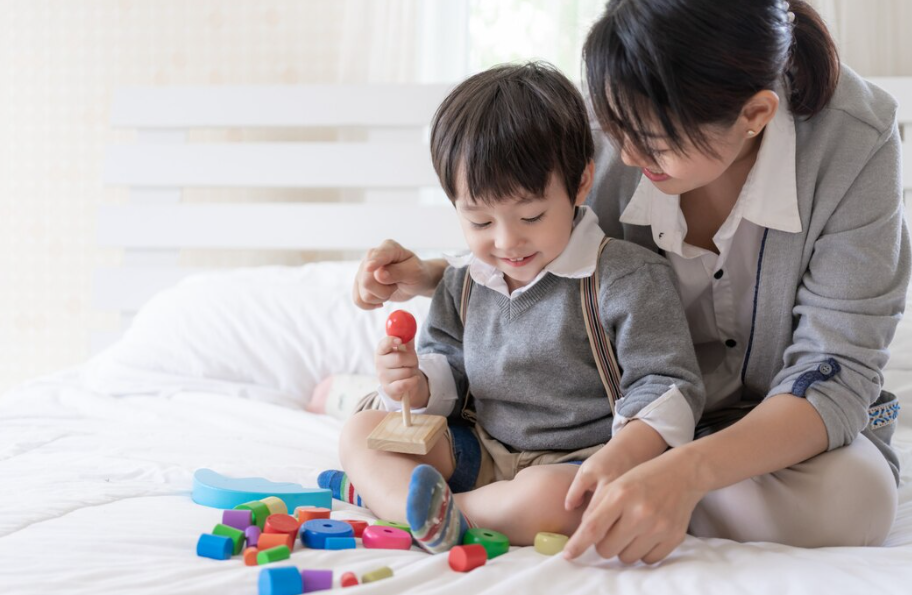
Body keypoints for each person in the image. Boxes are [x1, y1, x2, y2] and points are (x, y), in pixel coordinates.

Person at [351, 0, 910, 564]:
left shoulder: (855, 145)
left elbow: (835, 373)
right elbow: (525, 237)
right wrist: (434, 276)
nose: (623, 152)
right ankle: (549, 502)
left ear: (756, 113)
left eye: (654, 140)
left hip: (748, 431)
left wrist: (681, 471)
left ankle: (529, 504)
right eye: (615, 127)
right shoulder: (602, 118)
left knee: (853, 500)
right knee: (368, 421)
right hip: (598, 432)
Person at [319, 61, 705, 554]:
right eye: (479, 222)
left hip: (574, 462)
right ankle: (416, 509)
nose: (507, 241)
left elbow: (665, 386)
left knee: (560, 500)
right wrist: (415, 384)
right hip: (478, 452)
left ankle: (420, 511)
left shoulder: (627, 277)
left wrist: (618, 460)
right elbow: (451, 366)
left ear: (581, 183)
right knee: (363, 429)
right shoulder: (463, 281)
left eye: (531, 216)